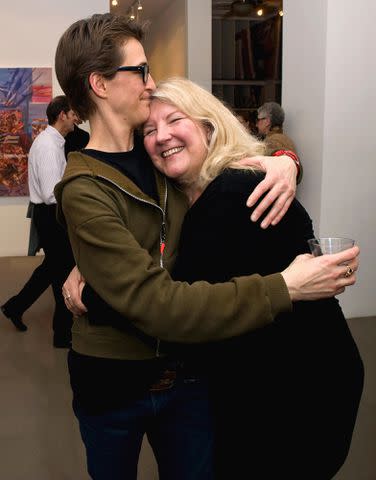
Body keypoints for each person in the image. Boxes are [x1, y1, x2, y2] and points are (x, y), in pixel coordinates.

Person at [54, 13, 359, 480]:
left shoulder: (216, 183)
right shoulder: (99, 181)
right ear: (100, 83)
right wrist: (93, 270)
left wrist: (284, 161)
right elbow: (160, 286)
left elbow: (183, 270)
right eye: (141, 71)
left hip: (258, 389)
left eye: (174, 120)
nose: (149, 82)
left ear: (209, 126)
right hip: (127, 382)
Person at [1, 100, 84, 336]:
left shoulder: (54, 142)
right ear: (62, 115)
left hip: (50, 215)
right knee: (62, 271)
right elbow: (51, 194)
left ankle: (14, 307)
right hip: (51, 215)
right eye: (72, 114)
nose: (76, 118)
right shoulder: (48, 146)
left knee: (51, 268)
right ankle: (62, 333)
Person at [256, 101, 303, 179]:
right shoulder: (286, 139)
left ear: (267, 121)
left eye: (258, 120)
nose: (256, 124)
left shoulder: (271, 142)